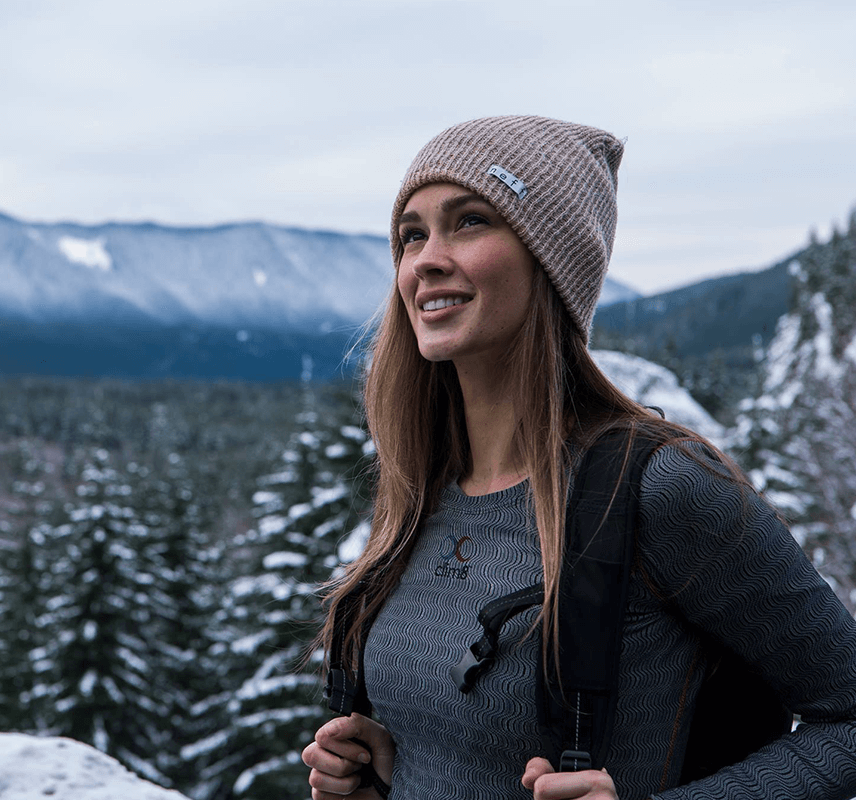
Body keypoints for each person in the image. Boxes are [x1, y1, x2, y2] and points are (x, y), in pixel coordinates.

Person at [300, 115, 856, 799]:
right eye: (411, 234)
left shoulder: (661, 489)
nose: (425, 259)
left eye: (470, 221)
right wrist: (390, 776)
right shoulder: (423, 489)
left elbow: (848, 719)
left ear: (552, 261)